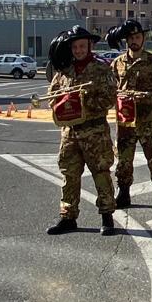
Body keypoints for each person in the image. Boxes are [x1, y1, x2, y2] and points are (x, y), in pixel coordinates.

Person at [45, 26, 118, 236]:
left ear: (89, 46)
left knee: (101, 173)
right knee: (69, 175)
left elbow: (110, 98)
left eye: (82, 46)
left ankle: (107, 217)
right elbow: (52, 95)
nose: (78, 50)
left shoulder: (101, 68)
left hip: (95, 131)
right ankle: (68, 217)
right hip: (70, 132)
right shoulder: (64, 70)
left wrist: (84, 102)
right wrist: (62, 102)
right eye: (75, 47)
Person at [107, 20, 152, 210]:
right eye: (131, 38)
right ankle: (123, 193)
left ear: (143, 38)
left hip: (148, 120)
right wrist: (117, 95)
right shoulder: (117, 63)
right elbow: (110, 87)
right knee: (124, 160)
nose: (134, 41)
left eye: (137, 37)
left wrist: (148, 96)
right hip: (125, 121)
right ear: (126, 40)